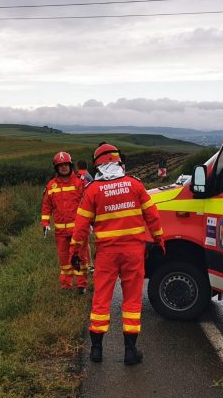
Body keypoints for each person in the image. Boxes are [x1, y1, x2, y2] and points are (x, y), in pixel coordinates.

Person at [70, 143, 164, 365]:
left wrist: (75, 251)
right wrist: (159, 241)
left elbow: (81, 225)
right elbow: (153, 216)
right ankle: (130, 352)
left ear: (97, 165)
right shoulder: (135, 185)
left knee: (101, 298)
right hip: (133, 253)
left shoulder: (92, 190)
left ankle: (96, 350)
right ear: (119, 161)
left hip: (106, 254)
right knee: (132, 300)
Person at [41, 151, 88, 293]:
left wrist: (90, 223)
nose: (64, 167)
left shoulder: (79, 183)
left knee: (80, 257)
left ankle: (81, 285)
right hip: (60, 232)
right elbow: (46, 207)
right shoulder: (51, 185)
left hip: (78, 230)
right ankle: (66, 285)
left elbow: (87, 204)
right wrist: (45, 224)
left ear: (70, 165)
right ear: (56, 168)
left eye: (66, 164)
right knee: (64, 260)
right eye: (60, 165)